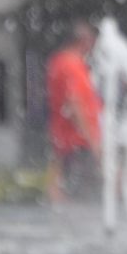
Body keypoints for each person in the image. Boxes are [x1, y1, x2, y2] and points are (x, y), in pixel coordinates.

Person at [45, 22, 103, 205]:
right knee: (83, 199)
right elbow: (75, 104)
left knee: (73, 196)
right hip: (78, 144)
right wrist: (93, 142)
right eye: (93, 41)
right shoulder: (71, 65)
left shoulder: (61, 62)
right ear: (85, 41)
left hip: (68, 142)